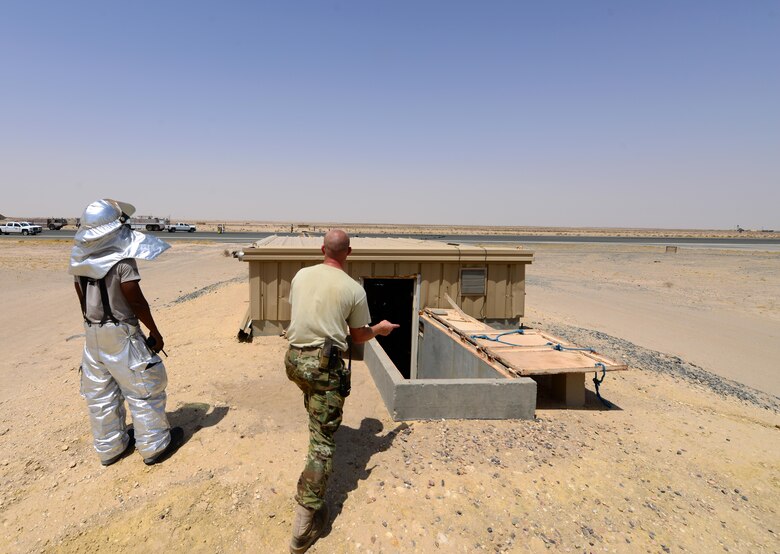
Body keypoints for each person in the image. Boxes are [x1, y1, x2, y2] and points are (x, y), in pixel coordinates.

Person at [285, 229, 399, 553]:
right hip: (322, 368)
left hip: (295, 362)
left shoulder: (300, 276)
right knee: (322, 444)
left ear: (323, 249)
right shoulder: (353, 289)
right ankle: (303, 528)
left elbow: (302, 314)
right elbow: (359, 335)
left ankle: (316, 416)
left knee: (314, 400)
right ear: (349, 252)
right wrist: (381, 329)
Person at [69, 199, 183, 466]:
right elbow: (136, 300)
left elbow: (81, 298)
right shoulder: (123, 261)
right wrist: (154, 330)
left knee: (101, 394)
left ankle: (111, 448)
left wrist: (93, 324)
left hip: (93, 335)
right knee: (144, 389)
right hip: (122, 334)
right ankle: (154, 446)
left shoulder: (79, 261)